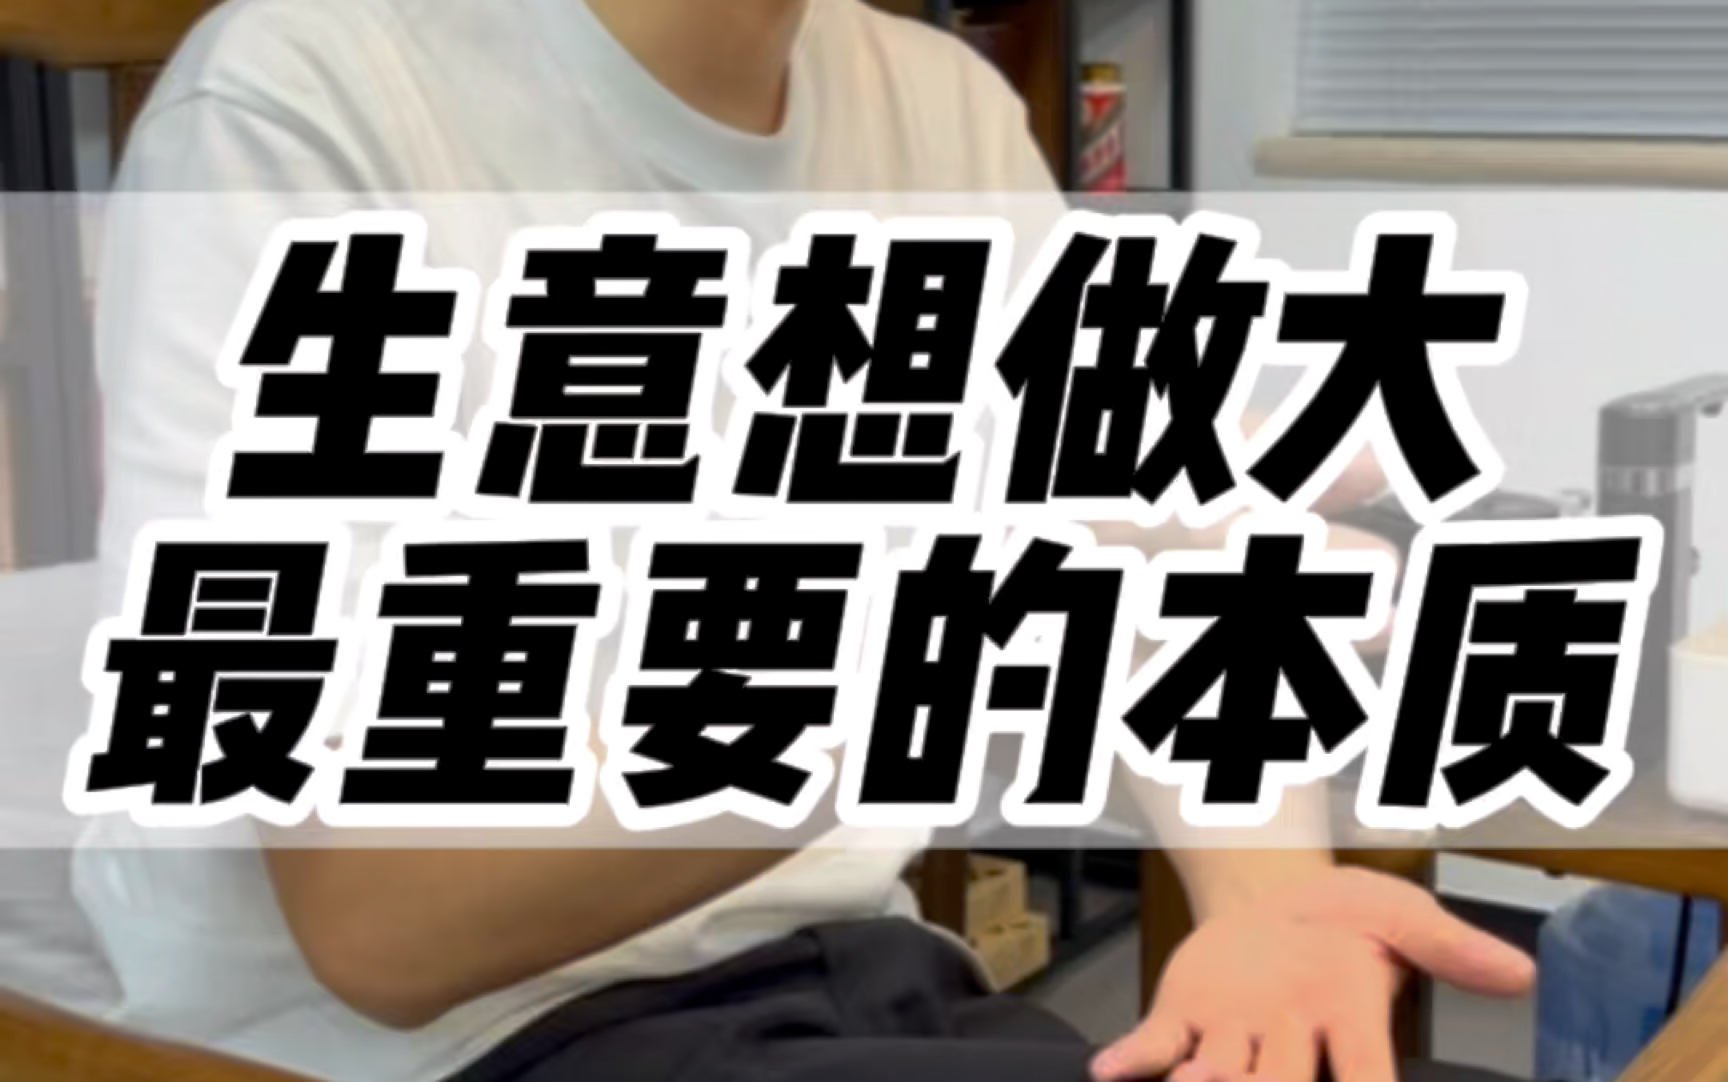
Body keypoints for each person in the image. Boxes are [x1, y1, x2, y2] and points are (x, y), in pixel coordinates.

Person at [76, 2, 1538, 1082]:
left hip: (865, 984)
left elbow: (1149, 562)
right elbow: (382, 928)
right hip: (458, 1047)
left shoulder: (941, 104)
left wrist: (1267, 908)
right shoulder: (307, 95)